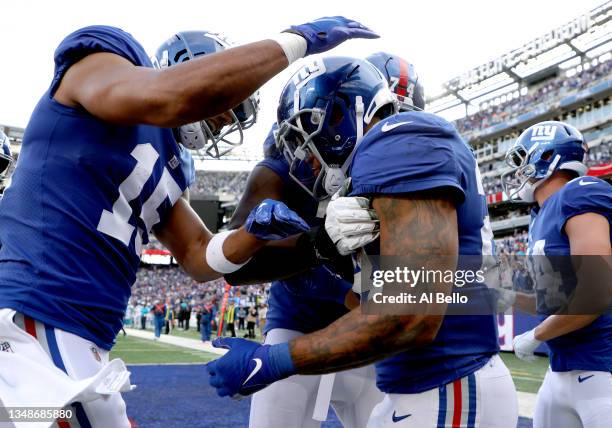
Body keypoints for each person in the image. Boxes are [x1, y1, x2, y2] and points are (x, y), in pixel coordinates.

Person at [0, 18, 375, 427]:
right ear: (191, 66)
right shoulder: (102, 62)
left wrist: (250, 236)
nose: (228, 119)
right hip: (40, 319)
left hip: (78, 337)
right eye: (227, 104)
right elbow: (168, 96)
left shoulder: (172, 165)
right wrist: (294, 42)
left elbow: (198, 254)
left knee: (25, 417)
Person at [208, 56, 518, 427]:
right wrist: (327, 251)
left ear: (347, 113)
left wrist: (272, 360)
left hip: (444, 379)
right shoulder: (397, 157)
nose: (306, 156)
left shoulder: (399, 140)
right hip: (422, 377)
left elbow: (410, 313)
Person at [502, 121, 612, 427]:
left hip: (602, 367)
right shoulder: (540, 216)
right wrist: (508, 297)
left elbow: (596, 292)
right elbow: (553, 300)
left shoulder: (578, 193)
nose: (518, 171)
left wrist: (536, 335)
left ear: (546, 156)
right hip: (560, 369)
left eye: (523, 160)